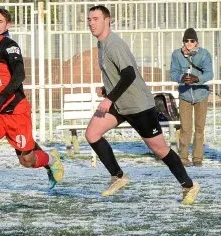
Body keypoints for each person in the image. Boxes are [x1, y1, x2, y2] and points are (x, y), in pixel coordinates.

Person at [86, 5, 200, 204]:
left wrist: (109, 98)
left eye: (96, 19)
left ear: (107, 20)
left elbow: (129, 74)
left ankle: (189, 186)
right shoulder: (102, 44)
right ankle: (118, 176)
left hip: (138, 105)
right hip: (121, 104)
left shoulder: (114, 44)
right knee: (92, 134)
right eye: (89, 19)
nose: (91, 23)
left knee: (160, 150)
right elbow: (119, 75)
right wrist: (107, 90)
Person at [0, 7, 64, 217]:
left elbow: (19, 76)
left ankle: (51, 159)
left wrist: (1, 98)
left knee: (27, 160)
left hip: (15, 112)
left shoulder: (8, 46)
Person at [169, 28, 213, 167]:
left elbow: (210, 74)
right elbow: (173, 73)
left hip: (201, 94)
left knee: (199, 128)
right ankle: (183, 158)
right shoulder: (177, 54)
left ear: (196, 42)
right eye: (186, 40)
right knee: (185, 128)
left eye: (192, 41)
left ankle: (197, 158)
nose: (189, 43)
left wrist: (197, 79)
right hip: (185, 95)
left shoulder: (204, 54)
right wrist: (181, 78)